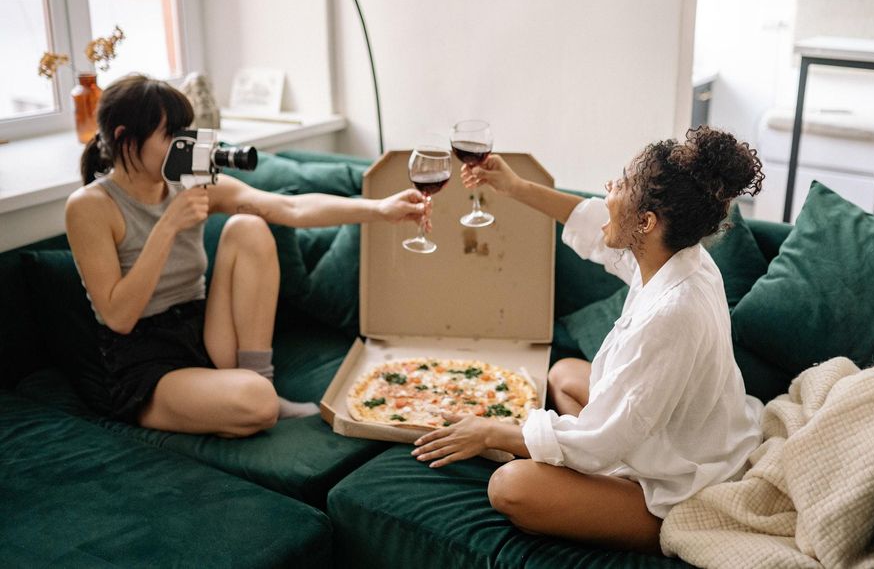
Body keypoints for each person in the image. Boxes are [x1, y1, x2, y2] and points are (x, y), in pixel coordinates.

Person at [411, 126, 766, 553]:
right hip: (675, 435)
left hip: (683, 484)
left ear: (647, 222)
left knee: (510, 486)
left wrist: (490, 432)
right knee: (563, 374)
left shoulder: (672, 314)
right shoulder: (681, 254)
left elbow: (600, 441)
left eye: (623, 183)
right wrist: (515, 186)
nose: (610, 188)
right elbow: (596, 224)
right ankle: (584, 481)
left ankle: (628, 512)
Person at [66, 74, 427, 437]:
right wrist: (167, 227)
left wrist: (380, 209)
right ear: (124, 137)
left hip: (199, 332)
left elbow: (290, 208)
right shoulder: (91, 207)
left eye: (184, 132)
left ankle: (255, 380)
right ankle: (245, 396)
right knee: (257, 403)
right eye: (170, 135)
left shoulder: (189, 182)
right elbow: (119, 317)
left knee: (249, 227)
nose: (184, 144)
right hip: (142, 362)